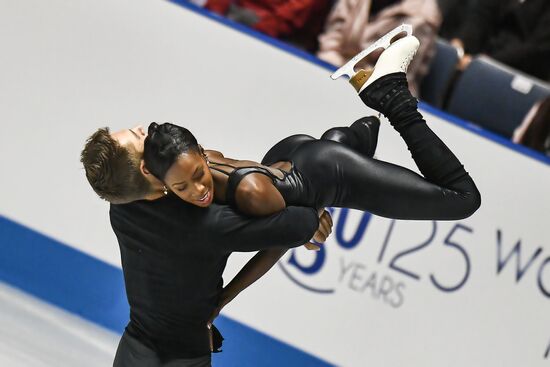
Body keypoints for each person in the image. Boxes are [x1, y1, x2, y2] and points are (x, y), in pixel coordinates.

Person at [144, 35, 481, 227]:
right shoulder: (199, 164)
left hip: (325, 173)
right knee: (362, 134)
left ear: (203, 155)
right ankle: (349, 128)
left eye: (196, 175)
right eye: (181, 186)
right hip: (291, 156)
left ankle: (391, 95)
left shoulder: (248, 194)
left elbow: (281, 239)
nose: (196, 189)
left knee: (463, 199)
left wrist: (309, 227)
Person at [81, 127, 333, 365]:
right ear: (146, 169)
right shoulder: (210, 222)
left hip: (134, 352)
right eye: (138, 137)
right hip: (185, 358)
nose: (141, 129)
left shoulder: (121, 207)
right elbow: (299, 224)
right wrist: (314, 207)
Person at [450, 0, 550, 79]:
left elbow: (535, 49)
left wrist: (484, 63)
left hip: (515, 73)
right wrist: (459, 44)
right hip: (480, 55)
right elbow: (481, 15)